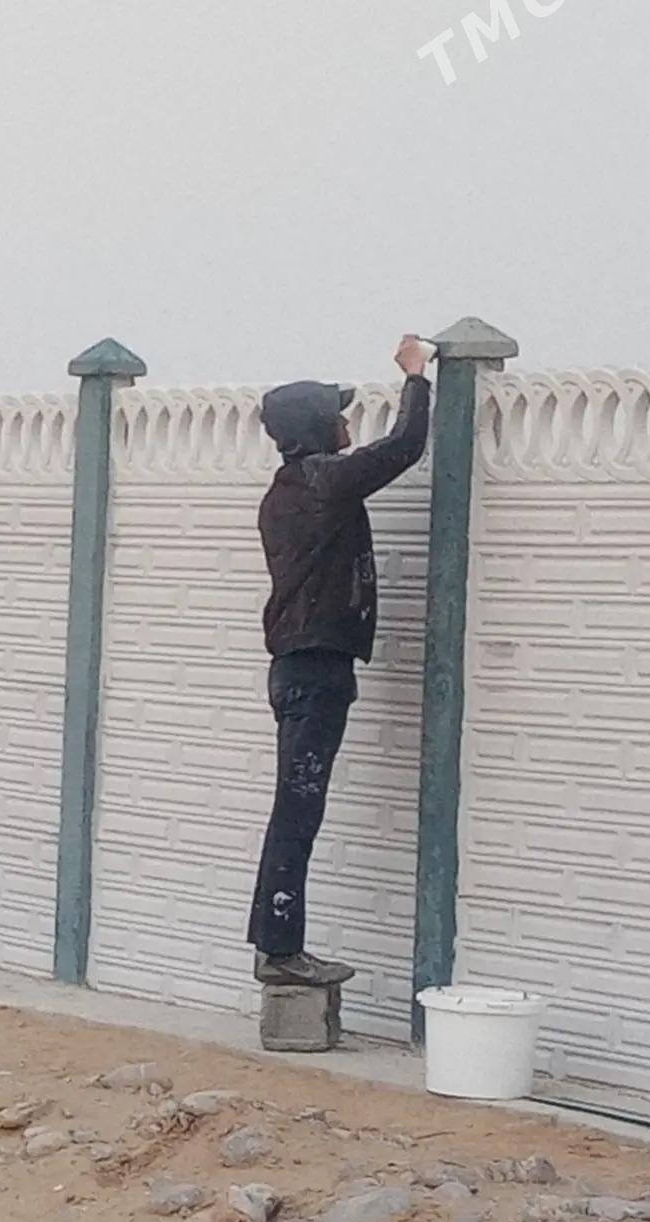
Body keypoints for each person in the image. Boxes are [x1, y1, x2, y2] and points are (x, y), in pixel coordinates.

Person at [247, 335, 435, 988]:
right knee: (298, 811)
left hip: (300, 669)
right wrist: (416, 378)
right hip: (315, 670)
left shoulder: (287, 491)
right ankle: (280, 952)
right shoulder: (322, 482)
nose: (348, 422)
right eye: (338, 414)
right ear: (316, 429)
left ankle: (276, 946)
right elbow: (404, 447)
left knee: (294, 809)